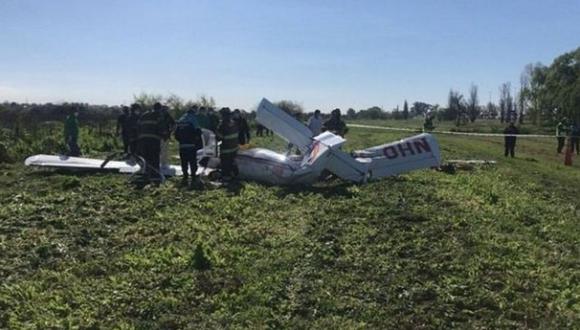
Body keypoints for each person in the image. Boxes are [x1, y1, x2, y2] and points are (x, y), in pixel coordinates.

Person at [137, 103, 164, 183]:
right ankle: (155, 175)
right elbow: (161, 128)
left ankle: (145, 174)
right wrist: (164, 135)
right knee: (154, 157)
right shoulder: (159, 116)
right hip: (154, 140)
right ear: (160, 109)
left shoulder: (144, 115)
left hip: (142, 140)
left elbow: (138, 126)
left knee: (145, 158)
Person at [175, 109, 202, 186]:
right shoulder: (193, 119)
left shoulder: (181, 120)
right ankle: (193, 176)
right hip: (191, 145)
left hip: (182, 146)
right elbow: (198, 131)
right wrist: (196, 140)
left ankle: (185, 176)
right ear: (193, 113)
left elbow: (176, 135)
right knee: (192, 161)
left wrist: (181, 141)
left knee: (184, 161)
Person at [216, 108, 239, 181]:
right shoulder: (234, 122)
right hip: (234, 148)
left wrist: (216, 133)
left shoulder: (222, 125)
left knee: (225, 165)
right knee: (232, 163)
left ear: (223, 115)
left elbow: (219, 138)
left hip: (226, 149)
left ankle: (226, 179)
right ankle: (233, 175)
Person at [159, 105, 175, 169]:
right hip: (164, 136)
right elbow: (174, 125)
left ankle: (161, 163)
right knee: (164, 150)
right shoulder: (168, 116)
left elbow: (173, 124)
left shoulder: (159, 115)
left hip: (159, 135)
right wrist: (171, 131)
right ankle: (164, 163)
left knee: (160, 150)